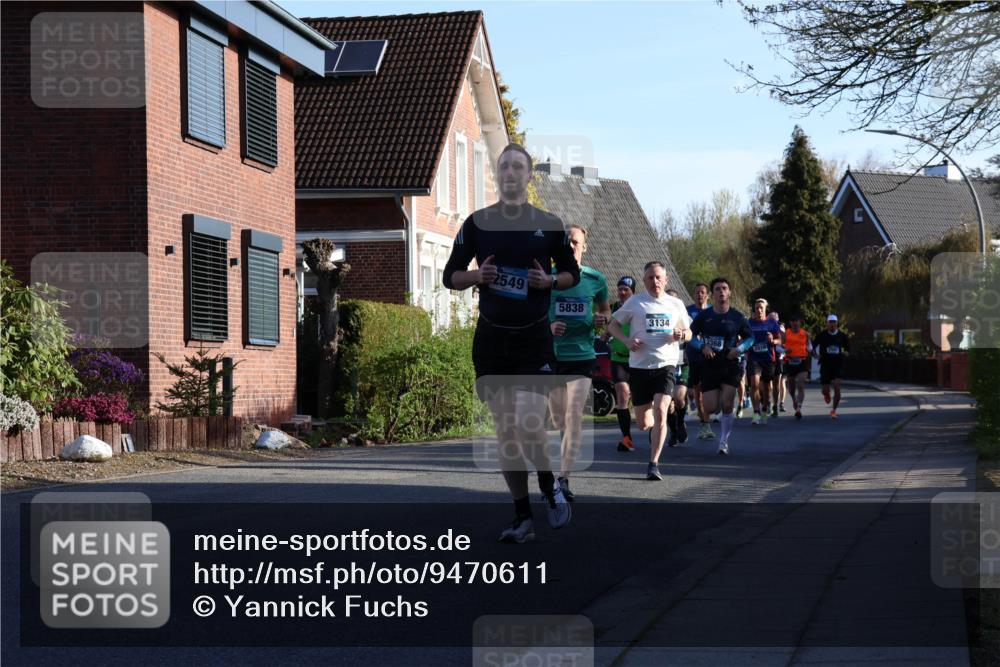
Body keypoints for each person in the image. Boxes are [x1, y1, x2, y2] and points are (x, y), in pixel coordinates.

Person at [443, 143, 579, 544]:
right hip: (491, 340)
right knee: (506, 430)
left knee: (528, 421)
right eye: (503, 166)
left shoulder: (549, 224)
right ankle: (522, 516)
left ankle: (548, 482)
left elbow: (570, 273)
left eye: (517, 166)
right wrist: (477, 277)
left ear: (528, 175)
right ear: (496, 174)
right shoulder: (477, 224)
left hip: (533, 339)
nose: (509, 172)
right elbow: (451, 276)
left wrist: (548, 281)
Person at [606, 262, 691, 480]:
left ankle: (653, 464)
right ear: (644, 281)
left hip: (666, 365)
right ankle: (656, 420)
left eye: (658, 277)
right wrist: (626, 340)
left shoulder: (676, 304)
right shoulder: (635, 302)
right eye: (650, 278)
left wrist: (682, 335)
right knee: (644, 423)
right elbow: (612, 326)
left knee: (661, 411)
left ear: (666, 279)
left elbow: (689, 332)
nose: (655, 281)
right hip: (639, 367)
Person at [548, 225, 611, 501]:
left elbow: (606, 310)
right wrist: (549, 327)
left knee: (574, 416)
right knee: (557, 418)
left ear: (584, 246)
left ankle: (563, 478)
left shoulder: (595, 279)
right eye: (567, 242)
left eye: (575, 242)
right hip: (551, 355)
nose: (571, 246)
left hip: (582, 356)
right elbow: (532, 313)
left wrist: (603, 319)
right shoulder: (546, 277)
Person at [688, 277, 754, 455]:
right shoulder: (704, 316)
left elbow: (750, 338)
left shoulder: (737, 316)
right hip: (709, 365)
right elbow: (690, 336)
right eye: (717, 289)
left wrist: (738, 349)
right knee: (710, 407)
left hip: (730, 364)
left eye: (724, 288)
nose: (721, 291)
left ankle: (724, 440)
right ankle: (716, 414)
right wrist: (702, 346)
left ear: (729, 292)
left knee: (726, 404)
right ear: (712, 294)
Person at [607, 276, 637, 452]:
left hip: (637, 360)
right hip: (618, 358)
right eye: (620, 289)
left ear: (633, 292)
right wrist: (604, 334)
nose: (622, 292)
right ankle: (626, 438)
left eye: (626, 289)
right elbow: (608, 328)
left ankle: (670, 427)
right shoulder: (614, 308)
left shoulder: (639, 308)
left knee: (643, 401)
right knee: (623, 394)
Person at [686, 283, 714, 440]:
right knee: (698, 391)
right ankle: (704, 423)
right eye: (697, 292)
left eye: (702, 292)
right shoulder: (687, 311)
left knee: (710, 390)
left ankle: (710, 415)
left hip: (711, 356)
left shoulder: (713, 311)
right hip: (694, 355)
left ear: (707, 295)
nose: (699, 295)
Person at [748, 298, 782, 425]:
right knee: (754, 384)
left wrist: (773, 340)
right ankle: (756, 412)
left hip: (768, 358)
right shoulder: (749, 323)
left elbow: (780, 340)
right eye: (757, 308)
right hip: (754, 358)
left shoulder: (772, 323)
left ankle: (764, 409)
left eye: (761, 308)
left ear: (765, 309)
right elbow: (743, 337)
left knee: (767, 387)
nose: (759, 310)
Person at [665, 289, 691, 447]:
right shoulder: (659, 316)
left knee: (679, 399)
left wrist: (685, 335)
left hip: (682, 363)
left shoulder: (685, 317)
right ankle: (673, 431)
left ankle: (680, 422)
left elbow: (693, 336)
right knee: (668, 404)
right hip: (665, 364)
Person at [814, 314, 851, 418]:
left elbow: (848, 348)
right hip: (825, 364)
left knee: (837, 387)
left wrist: (846, 353)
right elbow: (812, 346)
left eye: (834, 322)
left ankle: (833, 410)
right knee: (824, 390)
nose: (832, 324)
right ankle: (827, 394)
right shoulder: (822, 335)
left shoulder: (842, 336)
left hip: (838, 364)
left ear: (837, 323)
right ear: (827, 323)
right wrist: (815, 355)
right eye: (830, 322)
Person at [781, 314, 813, 421]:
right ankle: (794, 399)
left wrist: (812, 352)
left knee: (800, 384)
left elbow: (809, 347)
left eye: (796, 320)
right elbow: (779, 346)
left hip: (802, 361)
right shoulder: (786, 333)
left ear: (800, 322)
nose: (795, 323)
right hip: (790, 361)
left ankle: (799, 408)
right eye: (793, 321)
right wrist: (784, 350)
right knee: (791, 387)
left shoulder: (805, 334)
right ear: (790, 322)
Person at [769, 311, 787, 415]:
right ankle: (767, 402)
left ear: (777, 319)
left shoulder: (781, 328)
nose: (772, 321)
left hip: (779, 358)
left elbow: (784, 342)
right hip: (767, 358)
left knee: (778, 382)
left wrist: (783, 350)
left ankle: (777, 404)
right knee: (767, 383)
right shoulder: (765, 326)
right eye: (770, 319)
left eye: (774, 319)